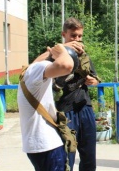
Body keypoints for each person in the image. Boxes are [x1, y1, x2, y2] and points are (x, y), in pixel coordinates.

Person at [33, 17, 100, 171]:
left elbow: (96, 77)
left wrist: (93, 81)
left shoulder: (84, 56)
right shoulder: (56, 55)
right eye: (73, 36)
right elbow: (33, 66)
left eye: (80, 36)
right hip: (65, 112)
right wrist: (63, 47)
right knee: (67, 158)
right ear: (64, 34)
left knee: (89, 159)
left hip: (85, 108)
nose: (77, 39)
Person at [17, 44, 77, 171]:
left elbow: (37, 61)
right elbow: (66, 66)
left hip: (38, 144)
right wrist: (62, 50)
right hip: (47, 144)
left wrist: (58, 50)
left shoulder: (31, 70)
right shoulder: (40, 67)